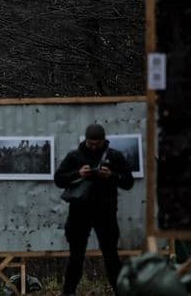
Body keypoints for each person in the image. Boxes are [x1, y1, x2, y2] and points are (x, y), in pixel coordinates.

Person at [54, 123, 135, 296]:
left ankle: (121, 292)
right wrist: (78, 174)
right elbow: (59, 179)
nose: (93, 147)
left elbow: (128, 182)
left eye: (96, 144)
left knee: (111, 257)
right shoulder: (74, 156)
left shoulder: (114, 156)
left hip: (106, 214)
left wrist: (111, 176)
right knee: (76, 258)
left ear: (103, 141)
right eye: (90, 143)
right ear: (85, 140)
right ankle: (68, 293)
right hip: (79, 214)